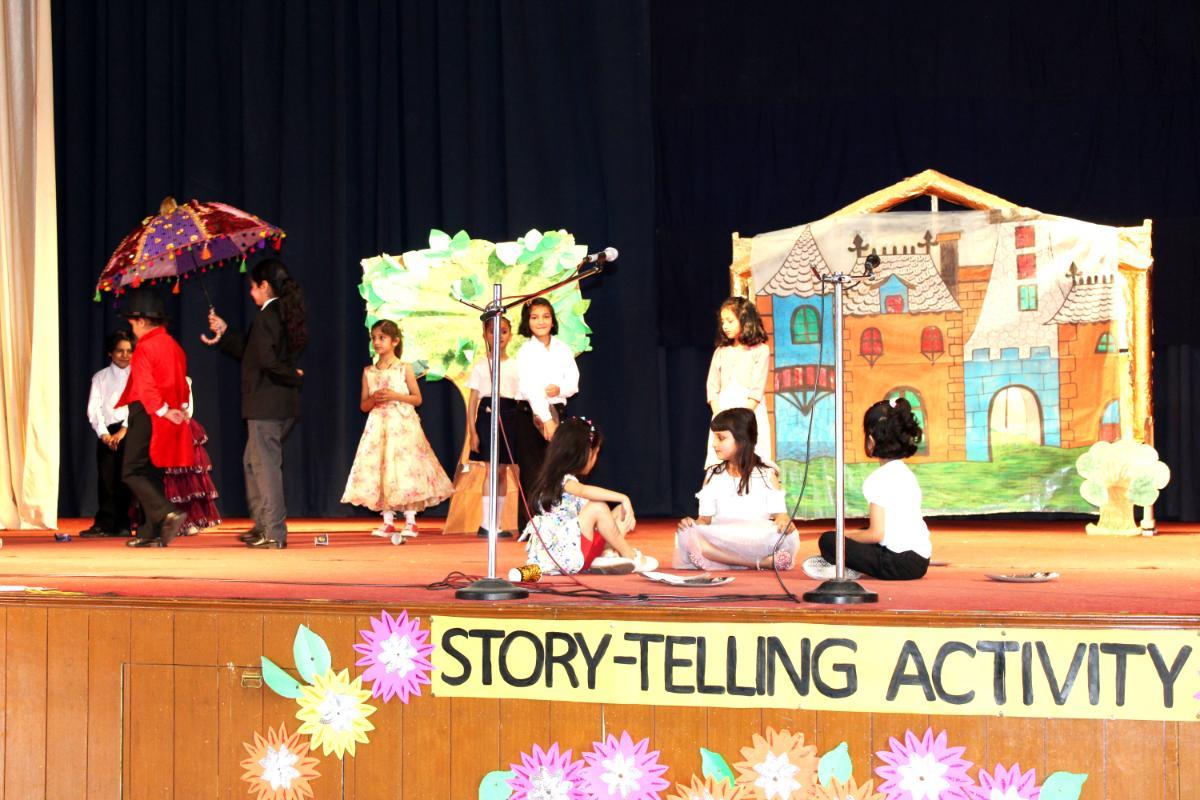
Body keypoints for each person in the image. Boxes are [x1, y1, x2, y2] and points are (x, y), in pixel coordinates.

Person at [202, 257, 306, 549]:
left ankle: (273, 532)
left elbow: (268, 362)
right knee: (253, 462)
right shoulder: (281, 314)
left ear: (264, 285)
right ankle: (263, 525)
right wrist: (225, 332)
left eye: (253, 287)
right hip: (276, 403)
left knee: (265, 466)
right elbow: (254, 353)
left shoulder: (267, 316)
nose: (250, 293)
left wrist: (294, 376)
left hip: (267, 404)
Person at [341, 319, 454, 537]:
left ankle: (411, 520)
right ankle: (388, 520)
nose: (377, 342)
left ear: (395, 341)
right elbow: (363, 406)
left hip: (402, 425)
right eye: (374, 338)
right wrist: (374, 398)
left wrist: (395, 396)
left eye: (382, 338)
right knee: (382, 468)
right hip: (378, 426)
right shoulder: (368, 372)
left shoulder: (404, 368)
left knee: (405, 469)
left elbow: (417, 398)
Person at [803, 397, 932, 581]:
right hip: (920, 561)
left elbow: (876, 534)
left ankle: (844, 566)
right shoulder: (906, 473)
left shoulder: (878, 479)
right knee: (859, 532)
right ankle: (848, 563)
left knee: (829, 540)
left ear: (871, 441)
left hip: (898, 563)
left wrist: (843, 537)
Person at [517, 417, 656, 575]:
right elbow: (584, 491)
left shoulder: (554, 480)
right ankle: (631, 556)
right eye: (596, 454)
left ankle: (607, 554)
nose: (596, 460)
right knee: (598, 507)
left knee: (619, 511)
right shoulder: (564, 481)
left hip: (570, 548)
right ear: (587, 453)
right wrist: (624, 497)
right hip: (567, 555)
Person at [115, 288, 192, 547]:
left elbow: (145, 385)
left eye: (132, 324)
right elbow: (182, 382)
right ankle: (152, 531)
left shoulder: (145, 348)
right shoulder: (174, 346)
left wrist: (161, 409)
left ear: (141, 321)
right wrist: (179, 408)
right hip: (167, 413)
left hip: (149, 411)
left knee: (132, 470)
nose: (132, 329)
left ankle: (166, 512)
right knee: (151, 472)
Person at [675, 408, 798, 571]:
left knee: (789, 535)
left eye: (721, 438)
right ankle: (761, 563)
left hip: (756, 538)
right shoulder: (713, 475)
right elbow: (704, 520)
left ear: (742, 439)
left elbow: (780, 515)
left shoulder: (767, 475)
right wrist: (692, 523)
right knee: (686, 533)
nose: (714, 444)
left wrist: (783, 522)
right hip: (722, 538)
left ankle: (723, 561)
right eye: (714, 438)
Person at [513, 298, 579, 534]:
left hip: (557, 410)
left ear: (552, 320)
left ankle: (555, 525)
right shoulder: (526, 351)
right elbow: (530, 388)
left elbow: (573, 382)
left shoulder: (562, 348)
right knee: (532, 471)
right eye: (534, 317)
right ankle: (532, 527)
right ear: (527, 321)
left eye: (545, 316)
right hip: (531, 414)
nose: (540, 321)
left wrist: (560, 388)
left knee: (557, 470)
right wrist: (546, 420)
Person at [465, 315, 520, 537]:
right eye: (493, 332)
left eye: (503, 331)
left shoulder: (516, 365)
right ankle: (486, 523)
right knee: (491, 470)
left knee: (503, 471)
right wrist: (472, 431)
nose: (499, 336)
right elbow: (472, 401)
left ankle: (496, 523)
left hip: (510, 416)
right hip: (487, 416)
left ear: (510, 335)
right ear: (485, 335)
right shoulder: (481, 365)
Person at [706, 296, 771, 467]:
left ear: (745, 320)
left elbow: (757, 390)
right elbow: (712, 387)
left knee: (752, 461)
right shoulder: (721, 351)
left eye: (730, 321)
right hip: (723, 410)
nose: (725, 326)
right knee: (720, 463)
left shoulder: (761, 350)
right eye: (723, 322)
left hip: (748, 413)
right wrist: (720, 417)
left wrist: (741, 421)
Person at [82, 329, 135, 538]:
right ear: (110, 353)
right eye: (120, 351)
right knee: (106, 478)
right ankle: (105, 523)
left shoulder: (138, 376)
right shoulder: (101, 377)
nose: (125, 355)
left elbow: (138, 405)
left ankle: (124, 523)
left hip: (130, 430)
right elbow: (93, 408)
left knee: (126, 479)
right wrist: (104, 434)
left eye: (129, 351)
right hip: (106, 432)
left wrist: (124, 430)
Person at [162, 379, 221, 535]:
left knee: (186, 479)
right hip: (161, 429)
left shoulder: (185, 380)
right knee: (166, 479)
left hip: (181, 430)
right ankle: (165, 521)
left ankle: (188, 521)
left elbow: (189, 407)